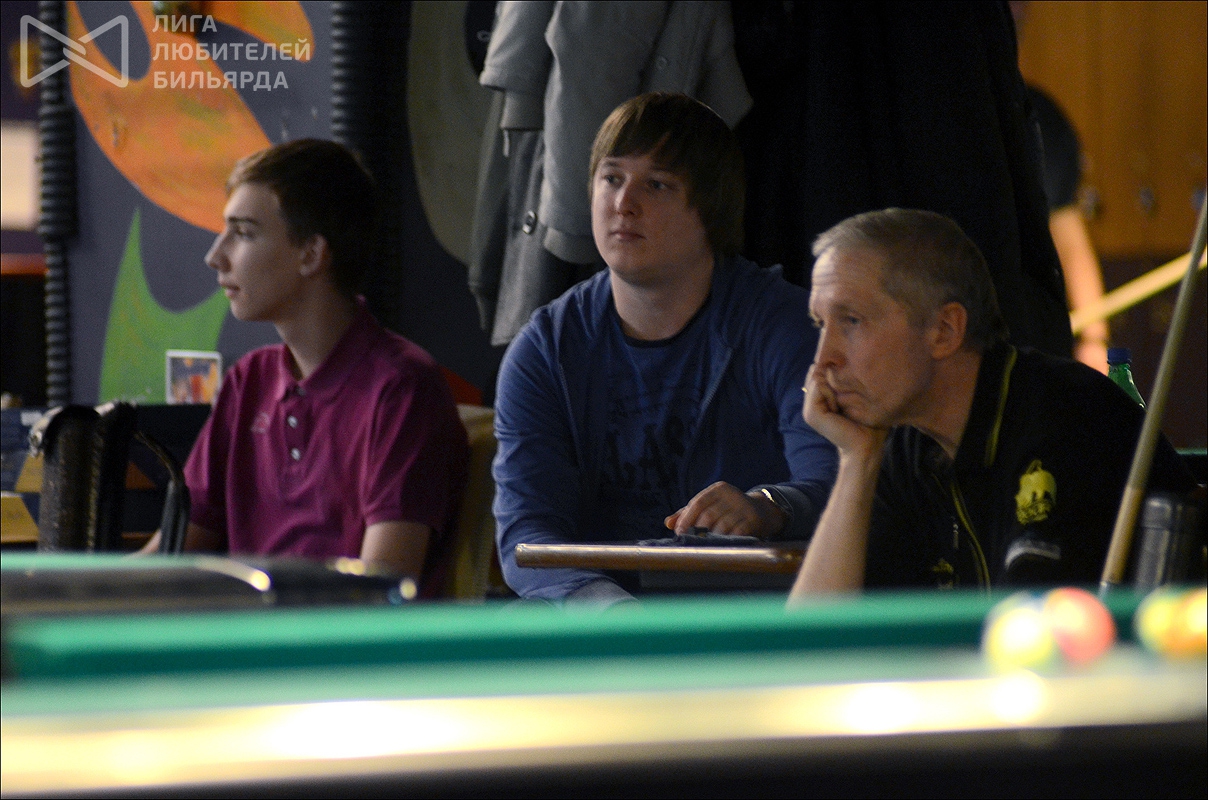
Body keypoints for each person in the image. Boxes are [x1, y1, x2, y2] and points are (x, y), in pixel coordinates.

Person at [493, 92, 838, 605]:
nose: (623, 203)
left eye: (656, 184)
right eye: (611, 178)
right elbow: (526, 533)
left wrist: (770, 506)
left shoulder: (783, 325)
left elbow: (840, 480)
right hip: (602, 624)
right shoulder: (544, 351)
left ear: (711, 210)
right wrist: (612, 614)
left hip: (752, 618)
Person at [788, 208, 1193, 599]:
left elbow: (1031, 632)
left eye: (852, 321)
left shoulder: (1069, 422)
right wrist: (856, 461)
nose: (823, 360)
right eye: (821, 324)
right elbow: (813, 635)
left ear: (944, 331)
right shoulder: (906, 447)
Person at [141, 139, 469, 579]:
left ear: (311, 255)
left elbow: (381, 588)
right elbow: (168, 555)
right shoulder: (248, 380)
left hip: (332, 627)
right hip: (246, 622)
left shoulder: (401, 387)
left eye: (244, 233)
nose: (215, 256)